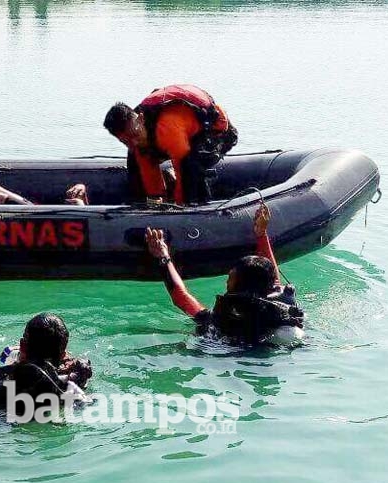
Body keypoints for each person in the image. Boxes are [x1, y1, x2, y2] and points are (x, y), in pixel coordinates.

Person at [145, 203, 305, 345]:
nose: (226, 282)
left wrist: (163, 256)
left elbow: (180, 297)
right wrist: (261, 234)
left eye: (230, 278)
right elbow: (271, 279)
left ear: (239, 285)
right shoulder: (279, 309)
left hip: (221, 352)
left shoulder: (221, 319)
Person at [103, 84, 238, 206]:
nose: (134, 142)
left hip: (215, 132)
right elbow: (149, 176)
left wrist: (178, 208)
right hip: (176, 135)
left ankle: (199, 204)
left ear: (141, 119)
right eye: (125, 141)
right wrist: (155, 202)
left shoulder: (167, 129)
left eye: (135, 135)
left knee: (190, 168)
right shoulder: (136, 134)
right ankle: (140, 203)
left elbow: (184, 172)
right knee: (135, 157)